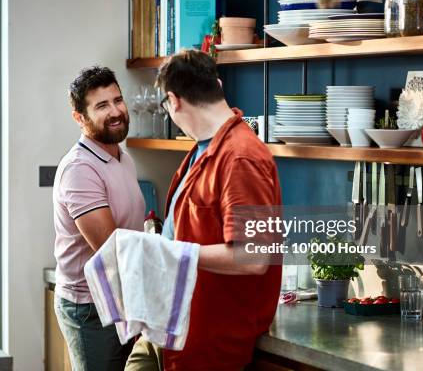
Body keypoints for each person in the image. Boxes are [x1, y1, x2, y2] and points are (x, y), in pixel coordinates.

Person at [126, 50, 282, 370]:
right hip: (167, 326)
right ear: (218, 85)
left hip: (206, 339)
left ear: (174, 100)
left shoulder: (241, 157)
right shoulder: (203, 149)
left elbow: (252, 258)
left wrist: (171, 252)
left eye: (165, 107)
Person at [53, 66, 145, 370]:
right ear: (80, 118)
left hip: (119, 298)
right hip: (88, 307)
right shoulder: (79, 169)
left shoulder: (123, 158)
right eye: (102, 106)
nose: (116, 111)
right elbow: (111, 247)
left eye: (118, 100)